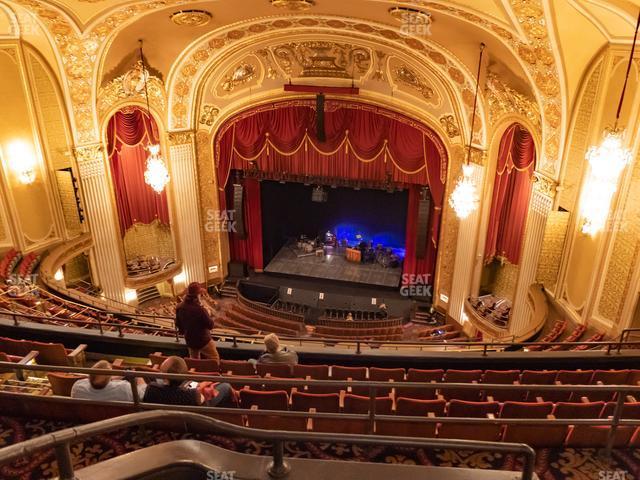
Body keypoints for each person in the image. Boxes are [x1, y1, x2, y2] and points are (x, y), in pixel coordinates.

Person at [143, 356, 234, 407]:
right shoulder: (192, 395)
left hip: (167, 418)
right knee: (225, 386)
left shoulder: (151, 389)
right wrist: (201, 387)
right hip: (196, 417)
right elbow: (202, 398)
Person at [175, 282, 219, 361]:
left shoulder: (179, 307)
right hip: (203, 340)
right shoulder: (200, 310)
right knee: (214, 358)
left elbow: (178, 324)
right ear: (197, 295)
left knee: (194, 361)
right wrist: (208, 313)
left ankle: (196, 372)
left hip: (190, 340)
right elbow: (210, 325)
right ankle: (215, 372)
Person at [71, 360, 146, 401]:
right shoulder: (124, 388)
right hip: (121, 420)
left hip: (90, 418)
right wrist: (139, 376)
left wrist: (113, 378)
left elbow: (97, 381)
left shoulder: (77, 387)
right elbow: (142, 395)